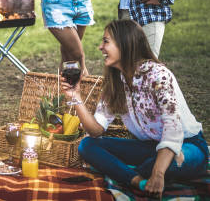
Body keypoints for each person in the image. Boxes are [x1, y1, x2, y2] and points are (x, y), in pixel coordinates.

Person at [62, 20, 207, 198]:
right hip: (150, 147)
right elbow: (95, 130)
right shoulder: (116, 82)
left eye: (106, 41)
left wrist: (158, 173)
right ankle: (138, 181)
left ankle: (140, 172)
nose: (100, 47)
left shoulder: (158, 75)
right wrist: (75, 97)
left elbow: (173, 129)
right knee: (87, 145)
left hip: (187, 144)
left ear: (125, 43)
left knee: (158, 164)